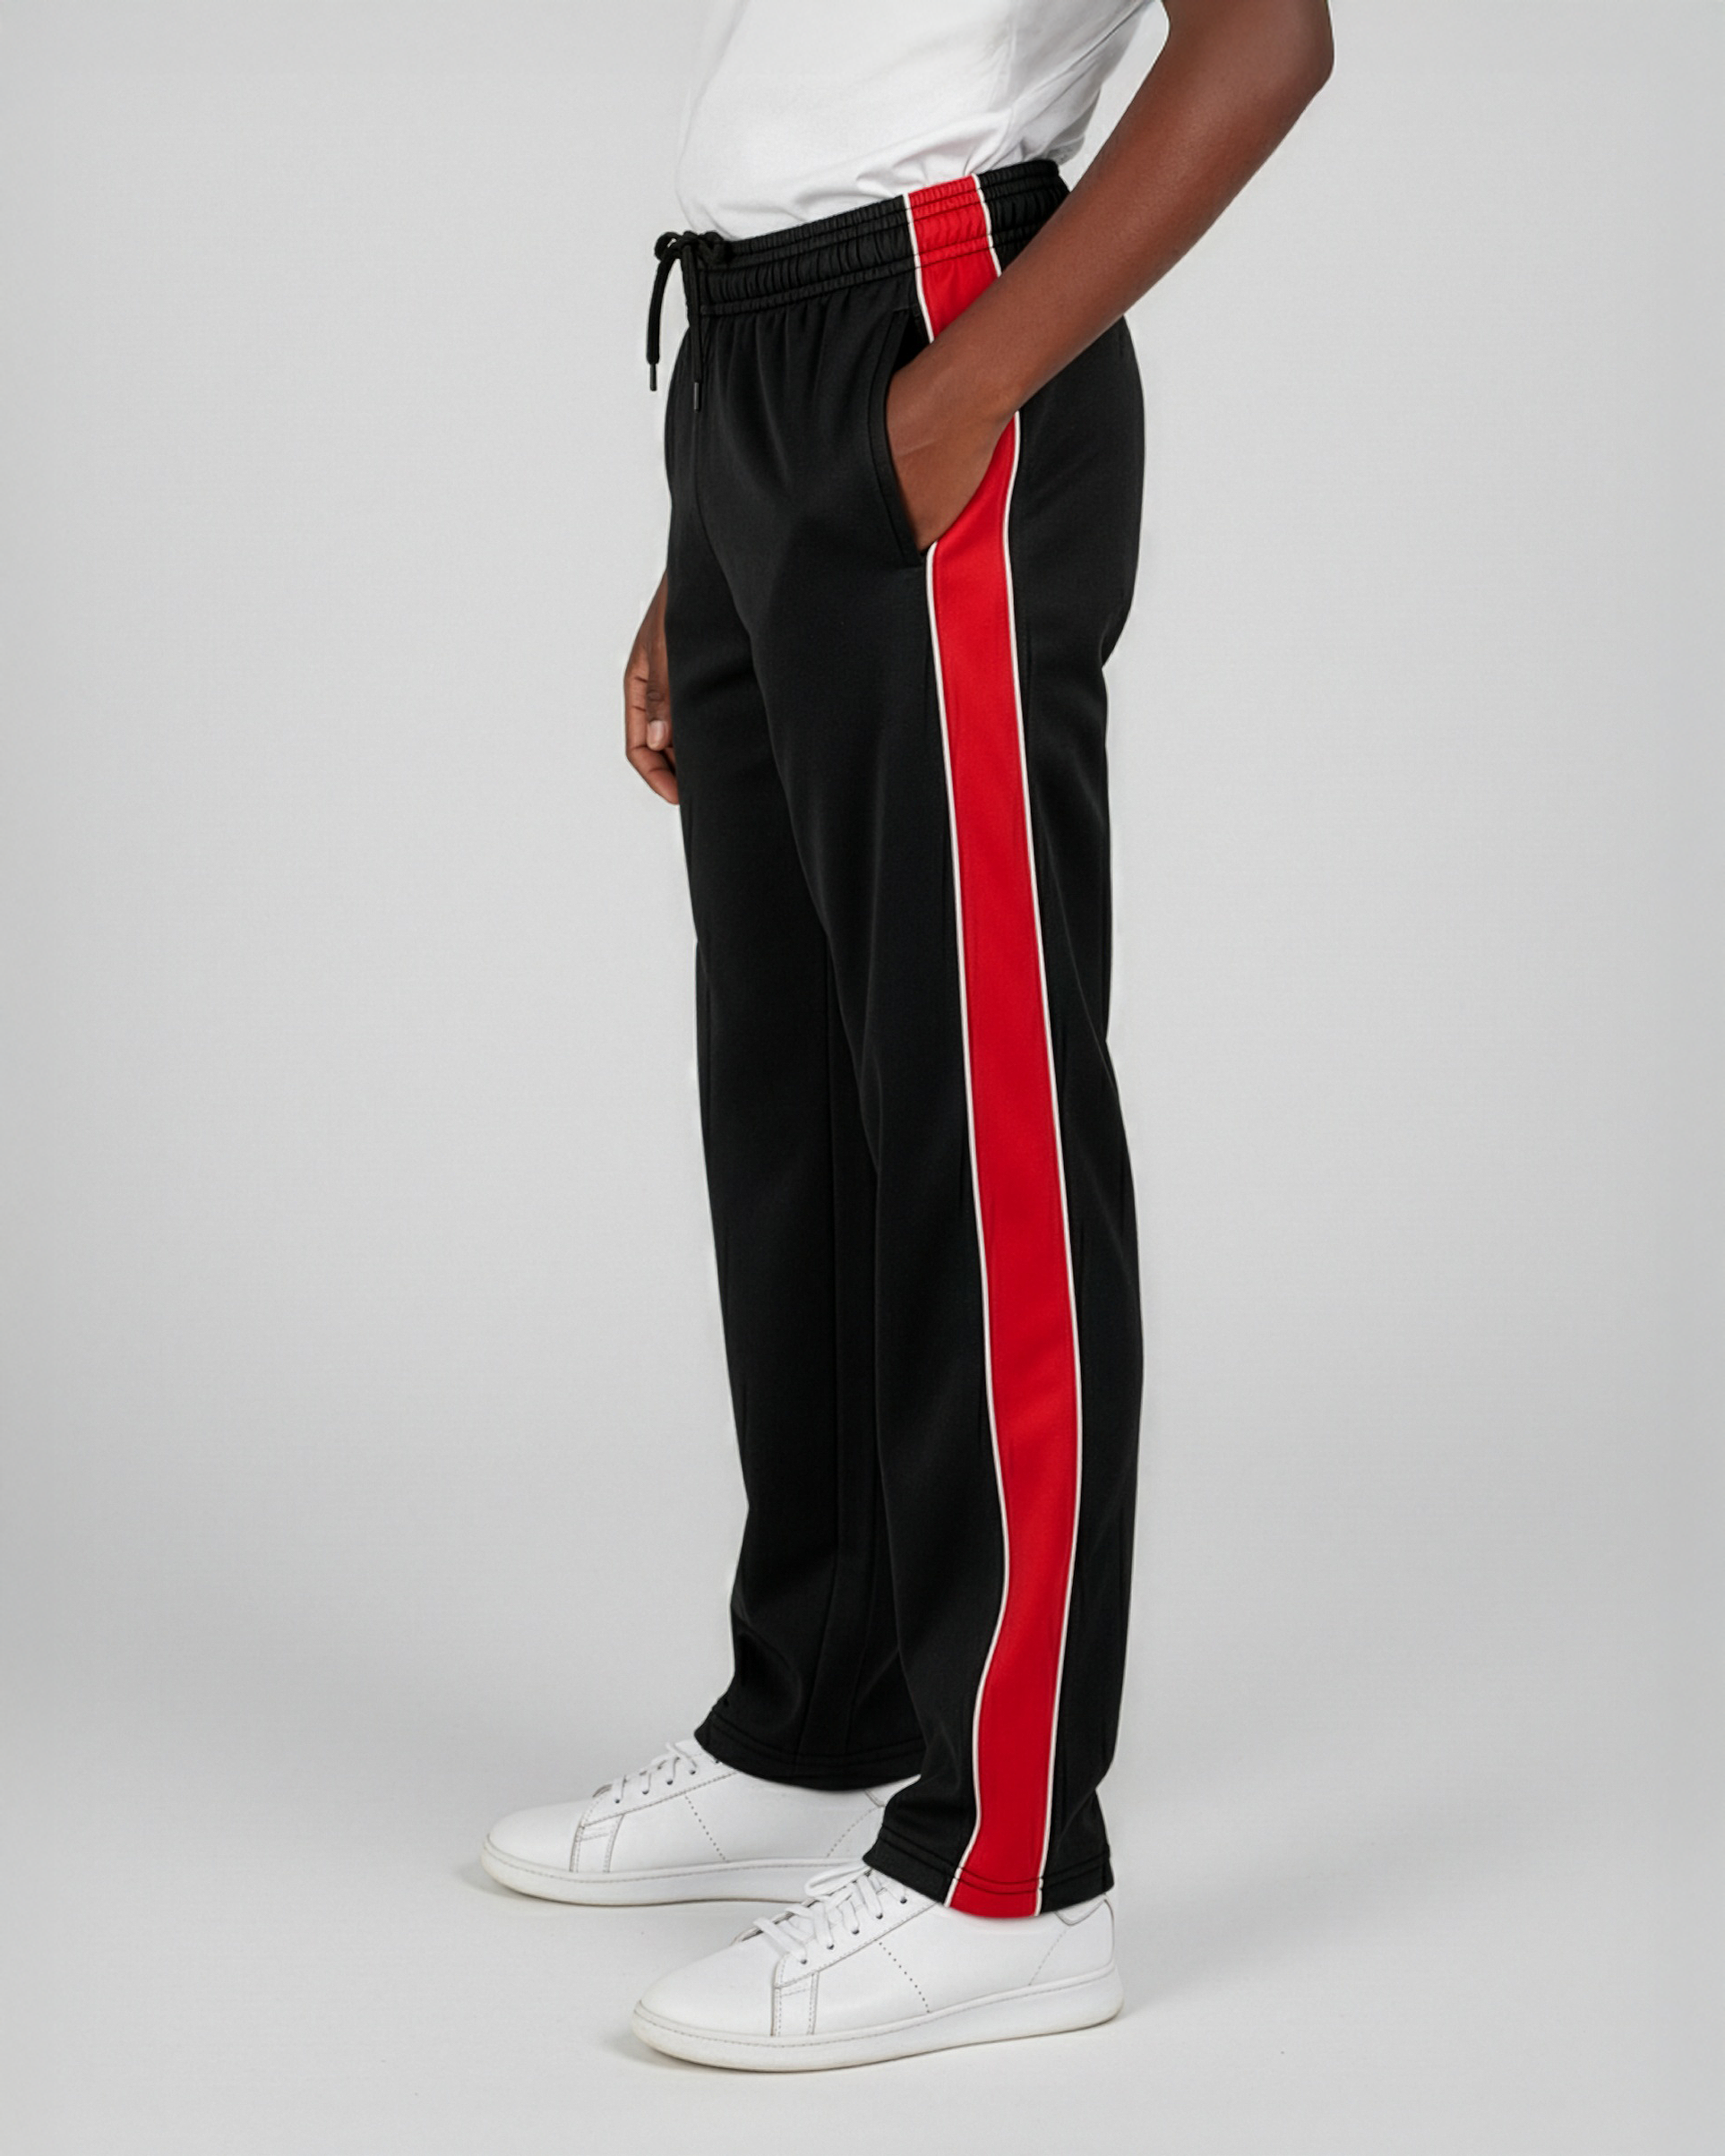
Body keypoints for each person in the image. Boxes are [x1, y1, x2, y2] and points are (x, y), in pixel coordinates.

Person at [483, 0, 1332, 2071]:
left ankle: (1012, 1871)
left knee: (977, 1115)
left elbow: (1265, 42)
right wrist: (722, 531)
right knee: (796, 1111)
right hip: (753, 356)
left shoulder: (953, 353)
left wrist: (957, 390)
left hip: (936, 322)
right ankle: (821, 1717)